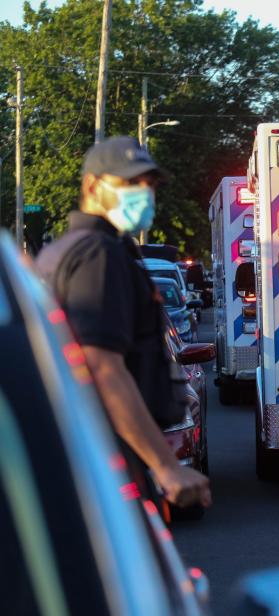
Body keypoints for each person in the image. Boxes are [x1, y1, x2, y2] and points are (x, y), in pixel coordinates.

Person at [36, 136, 211, 511]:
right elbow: (102, 367)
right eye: (130, 183)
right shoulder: (99, 256)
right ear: (93, 186)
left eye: (148, 185)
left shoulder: (62, 251)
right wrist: (166, 467)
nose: (143, 194)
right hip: (110, 462)